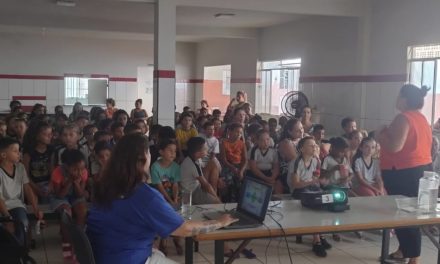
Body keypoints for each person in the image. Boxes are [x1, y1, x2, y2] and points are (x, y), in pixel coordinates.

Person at [87, 134, 237, 264]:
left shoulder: (105, 185)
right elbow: (184, 229)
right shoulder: (144, 195)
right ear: (144, 158)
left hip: (103, 256)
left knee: (158, 253)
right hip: (128, 259)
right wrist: (220, 222)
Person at [378, 84, 432, 264]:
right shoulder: (421, 118)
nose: (396, 99)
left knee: (406, 215)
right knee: (408, 213)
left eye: (398, 95)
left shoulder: (404, 118)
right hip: (419, 169)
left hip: (405, 173)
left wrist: (380, 134)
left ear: (404, 98)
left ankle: (414, 258)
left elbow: (394, 146)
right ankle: (403, 250)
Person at [288, 136, 331, 257]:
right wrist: (313, 182)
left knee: (325, 198)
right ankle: (316, 240)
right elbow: (296, 184)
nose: (315, 147)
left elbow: (317, 179)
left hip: (311, 188)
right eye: (311, 145)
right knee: (314, 203)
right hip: (298, 190)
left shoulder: (316, 161)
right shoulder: (296, 162)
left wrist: (321, 182)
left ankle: (320, 234)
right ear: (302, 149)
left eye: (315, 145)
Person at [0, 137, 44, 246]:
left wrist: (36, 208)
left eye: (19, 150)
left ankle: (19, 252)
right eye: (15, 151)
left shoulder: (20, 167)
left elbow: (27, 188)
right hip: (2, 206)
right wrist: (7, 218)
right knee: (7, 230)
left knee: (22, 223)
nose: (19, 154)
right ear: (3, 155)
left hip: (15, 204)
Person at [50, 149, 89, 259]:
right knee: (66, 212)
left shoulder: (83, 172)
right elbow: (60, 195)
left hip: (75, 196)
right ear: (66, 166)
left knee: (82, 211)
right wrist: (70, 181)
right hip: (59, 197)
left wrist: (76, 183)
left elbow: (80, 194)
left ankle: (79, 237)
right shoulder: (58, 172)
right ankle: (66, 242)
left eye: (81, 168)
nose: (80, 172)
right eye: (75, 169)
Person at [150, 139, 183, 256]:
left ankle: (177, 240)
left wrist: (175, 199)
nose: (173, 154)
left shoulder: (176, 167)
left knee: (178, 216)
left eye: (175, 151)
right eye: (170, 151)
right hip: (160, 197)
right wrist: (169, 201)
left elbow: (175, 185)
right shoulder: (155, 167)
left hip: (174, 197)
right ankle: (163, 242)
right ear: (161, 152)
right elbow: (160, 187)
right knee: (164, 216)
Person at [181, 137, 220, 205]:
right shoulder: (193, 165)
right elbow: (206, 185)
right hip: (192, 192)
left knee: (213, 164)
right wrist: (217, 198)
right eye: (205, 149)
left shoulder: (193, 158)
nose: (207, 149)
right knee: (216, 202)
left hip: (195, 185)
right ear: (197, 153)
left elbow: (203, 170)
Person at [22, 121, 54, 203]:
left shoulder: (51, 150)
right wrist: (36, 188)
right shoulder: (28, 152)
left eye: (51, 133)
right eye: (46, 134)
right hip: (33, 183)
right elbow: (26, 175)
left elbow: (53, 172)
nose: (50, 136)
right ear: (36, 136)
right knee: (34, 198)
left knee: (49, 196)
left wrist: (50, 185)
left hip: (49, 183)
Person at [219, 123, 247, 202]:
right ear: (230, 132)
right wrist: (232, 168)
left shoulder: (242, 144)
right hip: (228, 165)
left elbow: (245, 160)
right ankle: (226, 201)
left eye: (240, 133)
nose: (239, 134)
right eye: (237, 132)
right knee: (227, 181)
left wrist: (241, 171)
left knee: (240, 181)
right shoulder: (224, 143)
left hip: (239, 166)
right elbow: (223, 160)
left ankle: (238, 201)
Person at [277, 118, 303, 193]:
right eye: (297, 130)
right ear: (289, 132)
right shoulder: (286, 143)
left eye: (301, 128)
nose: (301, 131)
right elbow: (297, 162)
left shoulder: (302, 139)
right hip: (288, 173)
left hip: (301, 171)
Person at [200, 122, 221, 192]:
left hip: (209, 159)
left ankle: (213, 190)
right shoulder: (199, 137)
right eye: (209, 129)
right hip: (199, 158)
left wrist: (206, 164)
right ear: (204, 130)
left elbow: (213, 155)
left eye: (213, 129)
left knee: (214, 163)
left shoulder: (215, 141)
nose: (212, 131)